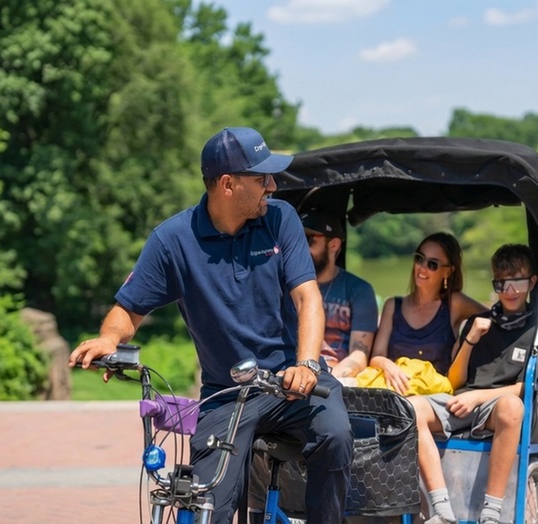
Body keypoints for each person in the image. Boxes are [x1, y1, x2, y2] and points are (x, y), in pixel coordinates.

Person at [68, 127, 353, 524]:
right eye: (262, 178)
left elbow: (308, 298)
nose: (272, 186)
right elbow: (128, 310)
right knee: (205, 504)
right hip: (227, 394)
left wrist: (306, 364)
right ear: (228, 184)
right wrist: (108, 338)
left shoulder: (280, 219)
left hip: (294, 384)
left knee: (336, 434)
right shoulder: (173, 240)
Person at [409, 243, 538, 524]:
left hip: (494, 407)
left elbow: (524, 387)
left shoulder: (536, 330)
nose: (509, 291)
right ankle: (441, 509)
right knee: (410, 408)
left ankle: (491, 514)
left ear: (531, 282)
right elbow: (454, 381)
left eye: (517, 282)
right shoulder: (478, 322)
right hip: (460, 401)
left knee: (512, 407)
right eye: (501, 283)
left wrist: (478, 397)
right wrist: (470, 339)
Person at [363, 232, 486, 395]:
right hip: (394, 392)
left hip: (435, 395)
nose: (422, 267)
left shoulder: (455, 303)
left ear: (448, 272)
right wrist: (388, 366)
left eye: (432, 264)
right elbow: (376, 356)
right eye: (419, 259)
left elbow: (494, 318)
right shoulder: (392, 305)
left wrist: (466, 342)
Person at [301, 211, 378, 382]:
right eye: (297, 239)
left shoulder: (359, 290)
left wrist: (329, 379)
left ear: (334, 245)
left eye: (308, 240)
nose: (300, 247)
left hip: (338, 377)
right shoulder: (288, 288)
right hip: (296, 373)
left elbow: (359, 354)